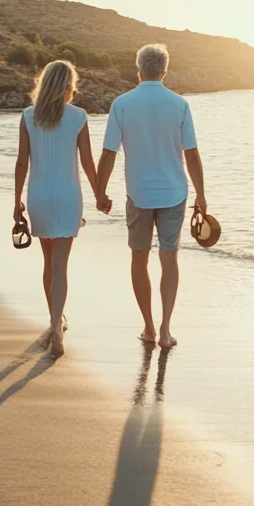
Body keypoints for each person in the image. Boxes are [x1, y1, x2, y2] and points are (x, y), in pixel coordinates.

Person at [96, 44, 206, 349]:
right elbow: (192, 155)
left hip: (139, 194)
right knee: (169, 257)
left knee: (139, 258)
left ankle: (148, 327)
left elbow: (108, 153)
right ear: (165, 71)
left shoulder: (122, 103)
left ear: (138, 69)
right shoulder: (179, 104)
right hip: (174, 192)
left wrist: (100, 192)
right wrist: (202, 194)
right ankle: (166, 330)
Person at [14, 60, 110, 358]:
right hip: (68, 197)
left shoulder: (29, 116)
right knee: (61, 266)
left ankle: (55, 321)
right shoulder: (79, 116)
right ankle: (57, 325)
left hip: (39, 196)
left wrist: (16, 202)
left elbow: (21, 163)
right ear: (69, 86)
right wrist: (99, 195)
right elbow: (87, 162)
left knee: (48, 262)